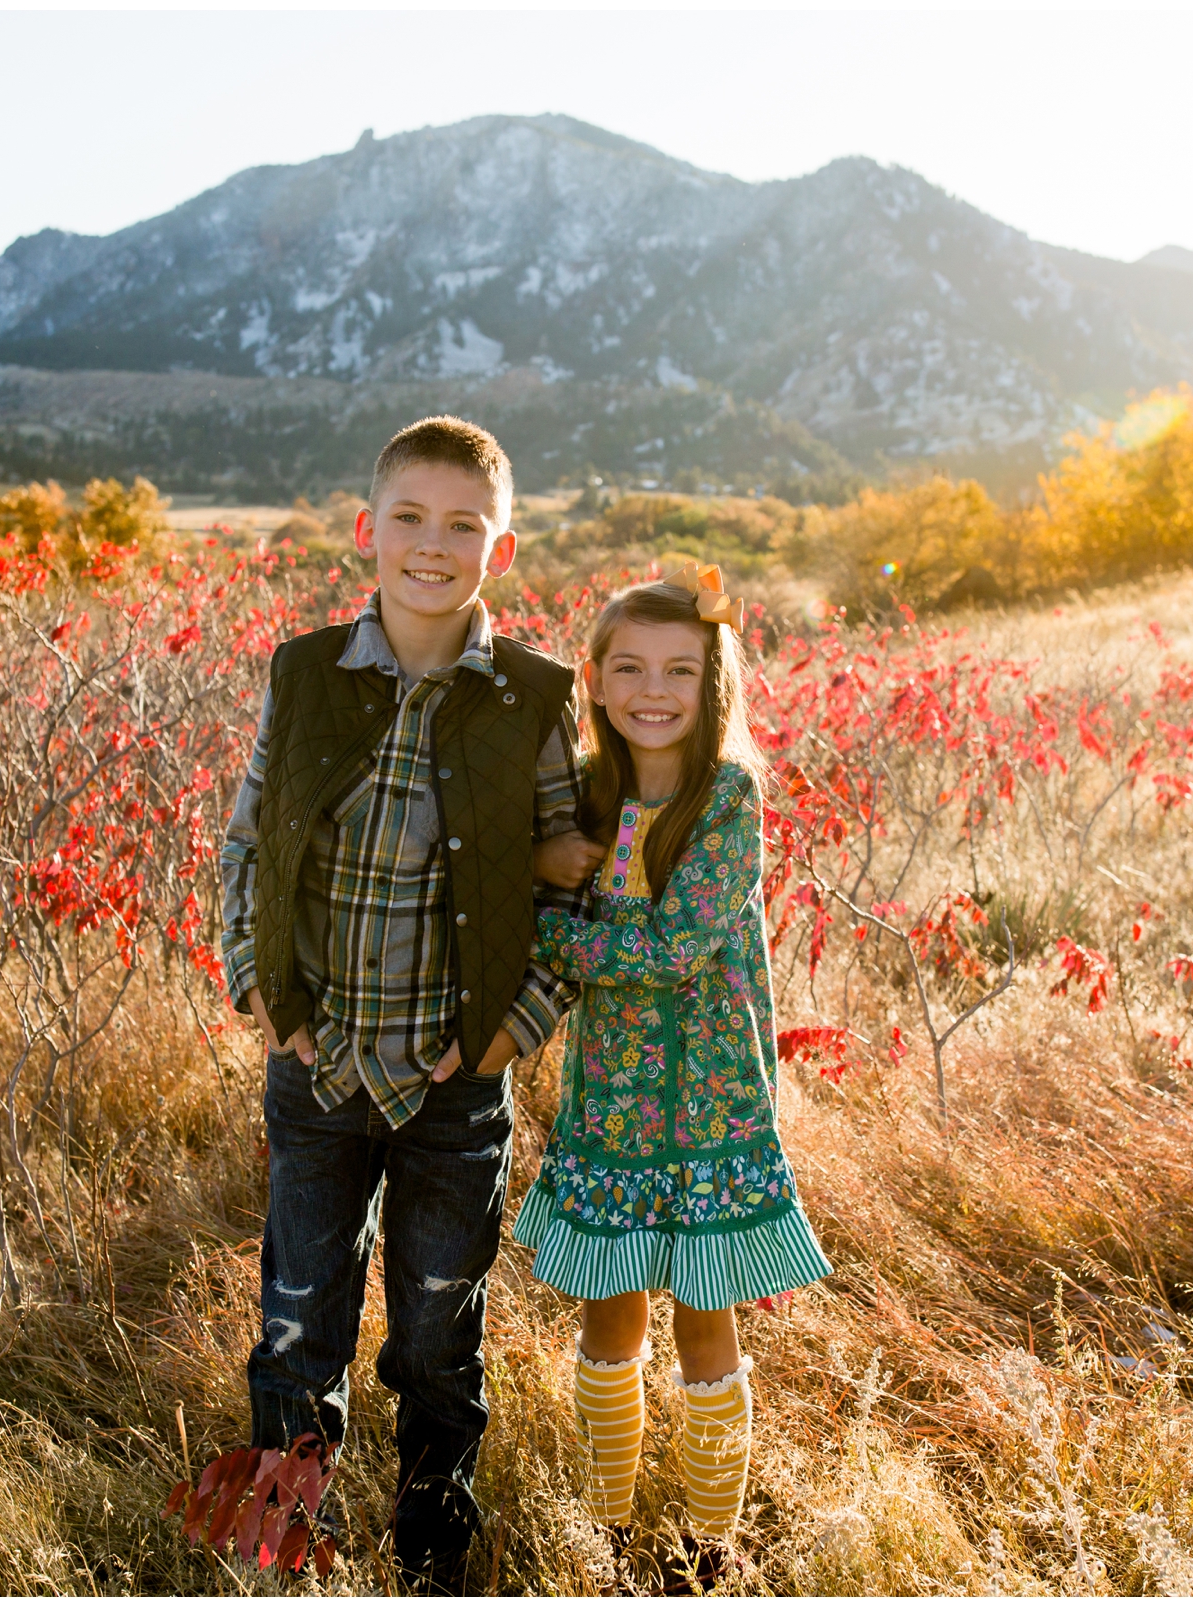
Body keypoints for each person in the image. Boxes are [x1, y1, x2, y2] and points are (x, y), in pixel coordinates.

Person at [217, 415, 586, 1593]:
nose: (434, 544)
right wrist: (260, 994)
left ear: (504, 546)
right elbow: (243, 847)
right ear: (364, 530)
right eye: (411, 518)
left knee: (437, 1334)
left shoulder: (531, 698)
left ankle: (433, 1553)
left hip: (455, 1085)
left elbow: (577, 889)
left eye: (464, 524)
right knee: (296, 1324)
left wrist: (508, 1031)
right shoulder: (305, 673)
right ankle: (290, 1549)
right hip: (317, 1072)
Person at [516, 569, 834, 1589]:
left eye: (681, 670)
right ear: (597, 680)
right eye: (631, 667)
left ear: (715, 684)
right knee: (609, 1314)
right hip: (609, 1093)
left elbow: (676, 946)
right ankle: (607, 1533)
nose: (655, 689)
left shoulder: (727, 797)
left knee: (703, 1314)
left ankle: (708, 1543)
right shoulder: (581, 787)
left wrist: (556, 925)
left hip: (709, 1099)